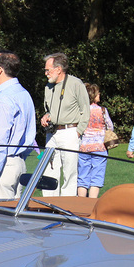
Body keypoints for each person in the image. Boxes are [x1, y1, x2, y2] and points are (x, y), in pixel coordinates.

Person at [0, 51, 36, 200]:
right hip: (19, 163)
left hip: (3, 167)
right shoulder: (24, 94)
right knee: (13, 219)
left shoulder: (2, 101)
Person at [40, 53, 90, 196]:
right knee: (49, 169)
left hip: (70, 132)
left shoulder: (76, 84)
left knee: (70, 172)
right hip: (52, 134)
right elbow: (49, 110)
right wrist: (45, 116)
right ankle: (48, 204)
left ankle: (66, 206)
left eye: (48, 70)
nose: (46, 73)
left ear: (59, 69)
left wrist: (78, 132)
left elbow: (85, 110)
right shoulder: (48, 87)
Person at [76, 83, 113, 198]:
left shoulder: (81, 111)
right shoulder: (102, 110)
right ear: (93, 95)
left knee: (83, 177)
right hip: (100, 147)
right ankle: (91, 204)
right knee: (96, 178)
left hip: (84, 147)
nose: (99, 95)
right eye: (97, 93)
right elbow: (110, 127)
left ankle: (80, 203)